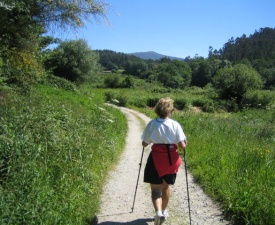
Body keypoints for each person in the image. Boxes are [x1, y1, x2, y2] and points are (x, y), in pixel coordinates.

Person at [141, 97, 187, 225]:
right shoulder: (175, 124)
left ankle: (158, 212)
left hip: (156, 159)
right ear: (169, 111)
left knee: (156, 189)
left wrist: (150, 139)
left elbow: (144, 144)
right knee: (166, 186)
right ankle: (164, 211)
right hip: (171, 160)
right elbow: (182, 146)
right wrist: (184, 142)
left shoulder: (152, 124)